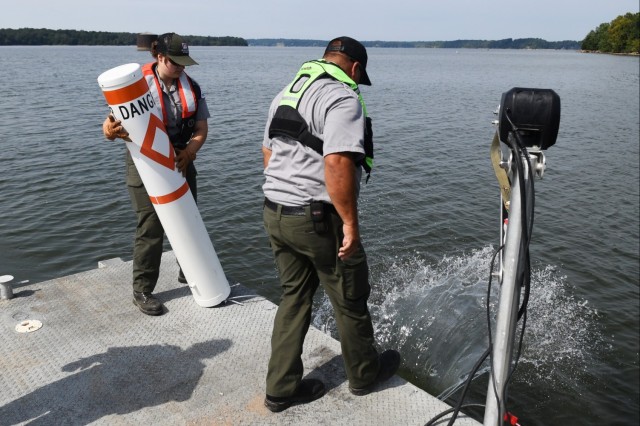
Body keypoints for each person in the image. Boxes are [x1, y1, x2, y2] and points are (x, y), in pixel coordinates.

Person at [261, 36, 400, 412]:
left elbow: (268, 154)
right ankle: (365, 375)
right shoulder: (342, 97)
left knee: (294, 297)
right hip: (318, 219)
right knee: (350, 298)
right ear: (354, 68)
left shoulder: (286, 92)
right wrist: (350, 225)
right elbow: (338, 162)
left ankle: (280, 389)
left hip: (275, 211)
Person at [102, 33, 210, 316]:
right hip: (144, 161)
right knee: (151, 226)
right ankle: (142, 289)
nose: (181, 68)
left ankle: (191, 270)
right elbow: (110, 124)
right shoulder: (136, 88)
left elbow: (200, 129)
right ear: (160, 57)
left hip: (180, 157)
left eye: (185, 63)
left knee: (189, 217)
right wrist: (109, 131)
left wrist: (190, 152)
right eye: (176, 62)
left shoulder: (193, 88)